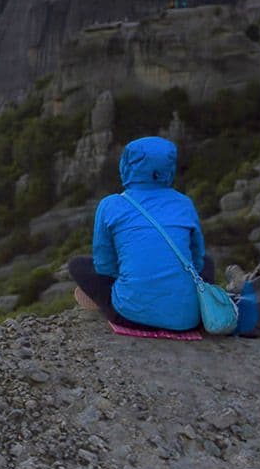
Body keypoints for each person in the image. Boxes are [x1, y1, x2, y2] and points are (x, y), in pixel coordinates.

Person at [68, 135, 212, 332]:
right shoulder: (184, 203)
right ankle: (185, 302)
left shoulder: (110, 204)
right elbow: (198, 261)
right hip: (188, 320)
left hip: (129, 317)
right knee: (208, 261)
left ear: (127, 165)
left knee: (78, 264)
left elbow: (104, 265)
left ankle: (107, 298)